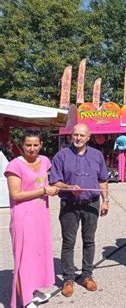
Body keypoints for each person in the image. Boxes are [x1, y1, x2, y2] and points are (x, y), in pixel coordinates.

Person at [50, 123, 110, 297]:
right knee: (68, 242)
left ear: (88, 137)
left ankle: (86, 275)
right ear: (71, 136)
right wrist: (69, 187)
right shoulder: (61, 156)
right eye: (75, 135)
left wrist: (106, 201)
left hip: (91, 203)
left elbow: (103, 180)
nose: (78, 138)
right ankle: (68, 278)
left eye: (82, 135)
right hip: (69, 204)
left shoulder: (97, 155)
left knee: (89, 240)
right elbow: (55, 182)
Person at [4, 129, 59, 308]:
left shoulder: (44, 161)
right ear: (22, 145)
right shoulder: (14, 165)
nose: (32, 149)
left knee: (37, 254)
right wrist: (44, 191)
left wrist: (58, 187)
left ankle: (33, 290)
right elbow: (16, 194)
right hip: (23, 217)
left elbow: (46, 182)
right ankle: (25, 299)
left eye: (36, 145)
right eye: (28, 145)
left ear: (41, 145)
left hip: (40, 215)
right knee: (23, 258)